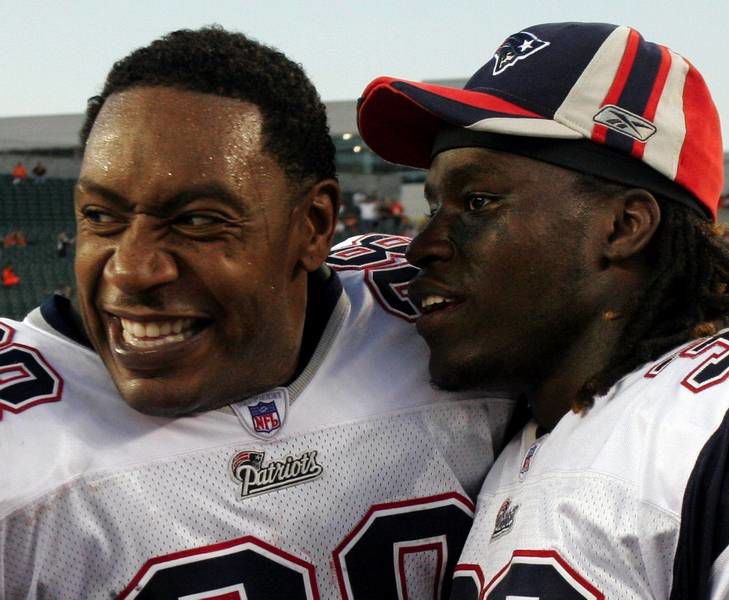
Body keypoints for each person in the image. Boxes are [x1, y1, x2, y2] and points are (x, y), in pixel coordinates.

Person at [0, 27, 514, 598]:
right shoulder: (15, 429)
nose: (131, 270)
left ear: (313, 226)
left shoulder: (429, 318)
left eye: (196, 220)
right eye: (101, 216)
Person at [357, 22, 729, 599]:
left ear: (623, 226)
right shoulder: (516, 434)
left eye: (478, 202)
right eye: (434, 205)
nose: (422, 244)